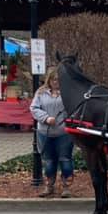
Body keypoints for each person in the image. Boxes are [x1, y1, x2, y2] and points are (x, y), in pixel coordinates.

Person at [30, 68, 74, 198]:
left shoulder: (68, 93)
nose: (56, 82)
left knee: (65, 160)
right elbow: (33, 108)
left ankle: (66, 186)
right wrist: (46, 118)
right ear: (49, 79)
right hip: (45, 132)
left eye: (59, 80)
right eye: (54, 79)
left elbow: (73, 109)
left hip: (64, 133)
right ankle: (49, 185)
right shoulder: (40, 92)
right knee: (48, 162)